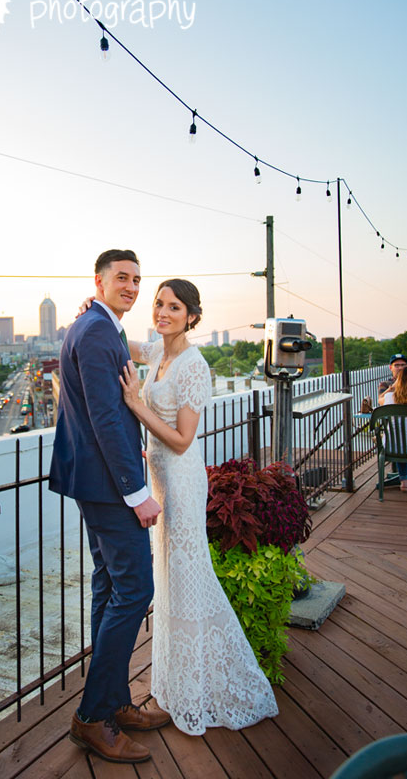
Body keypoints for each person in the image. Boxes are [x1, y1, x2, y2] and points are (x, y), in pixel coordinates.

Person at [117, 279, 278, 735]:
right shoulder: (158, 353)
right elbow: (120, 339)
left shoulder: (193, 365)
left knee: (187, 582)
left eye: (174, 307)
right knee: (171, 583)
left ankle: (191, 694)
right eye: (158, 304)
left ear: (192, 315)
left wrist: (134, 403)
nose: (163, 312)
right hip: (160, 482)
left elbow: (184, 440)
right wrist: (100, 311)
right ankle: (177, 685)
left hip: (183, 486)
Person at [49, 249, 169, 765]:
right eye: (122, 277)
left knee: (110, 587)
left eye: (137, 279)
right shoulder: (97, 331)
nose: (133, 286)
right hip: (108, 485)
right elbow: (103, 416)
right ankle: (92, 716)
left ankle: (115, 700)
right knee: (135, 587)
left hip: (91, 481)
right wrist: (137, 492)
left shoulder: (97, 325)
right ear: (98, 281)